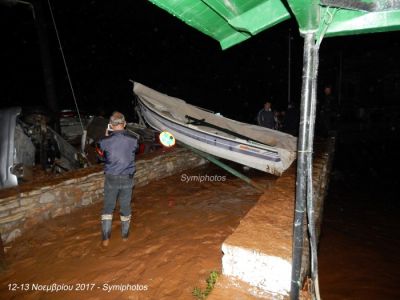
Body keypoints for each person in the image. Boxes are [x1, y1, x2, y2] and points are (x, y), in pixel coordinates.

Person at [98, 111, 138, 246]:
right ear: (124, 124)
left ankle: (105, 239)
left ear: (111, 125)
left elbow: (102, 157)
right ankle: (125, 236)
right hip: (127, 178)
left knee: (108, 207)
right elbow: (133, 150)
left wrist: (106, 135)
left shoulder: (104, 141)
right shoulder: (133, 140)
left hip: (111, 178)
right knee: (125, 206)